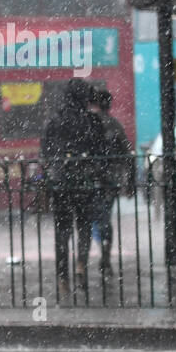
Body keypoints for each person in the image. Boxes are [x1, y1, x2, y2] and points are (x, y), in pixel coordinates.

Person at [41, 78, 105, 298]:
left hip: (61, 181)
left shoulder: (55, 121)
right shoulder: (91, 121)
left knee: (62, 230)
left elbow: (46, 151)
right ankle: (80, 264)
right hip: (84, 179)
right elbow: (100, 151)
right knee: (85, 225)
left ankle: (62, 278)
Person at [88, 87, 133, 278]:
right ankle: (106, 250)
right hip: (111, 179)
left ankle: (103, 249)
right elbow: (127, 153)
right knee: (106, 215)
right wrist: (128, 180)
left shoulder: (89, 124)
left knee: (98, 217)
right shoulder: (115, 125)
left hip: (93, 177)